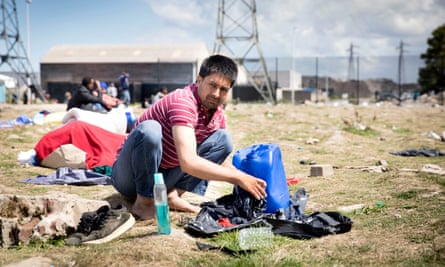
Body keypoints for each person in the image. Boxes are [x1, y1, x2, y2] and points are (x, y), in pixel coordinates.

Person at [111, 55, 267, 221]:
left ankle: (171, 195)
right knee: (150, 130)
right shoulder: (183, 102)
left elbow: (218, 159)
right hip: (130, 177)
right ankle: (145, 201)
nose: (216, 94)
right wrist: (238, 178)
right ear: (199, 80)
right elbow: (189, 162)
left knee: (223, 140)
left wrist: (246, 180)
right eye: (212, 85)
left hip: (162, 177)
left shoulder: (217, 113)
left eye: (223, 89)